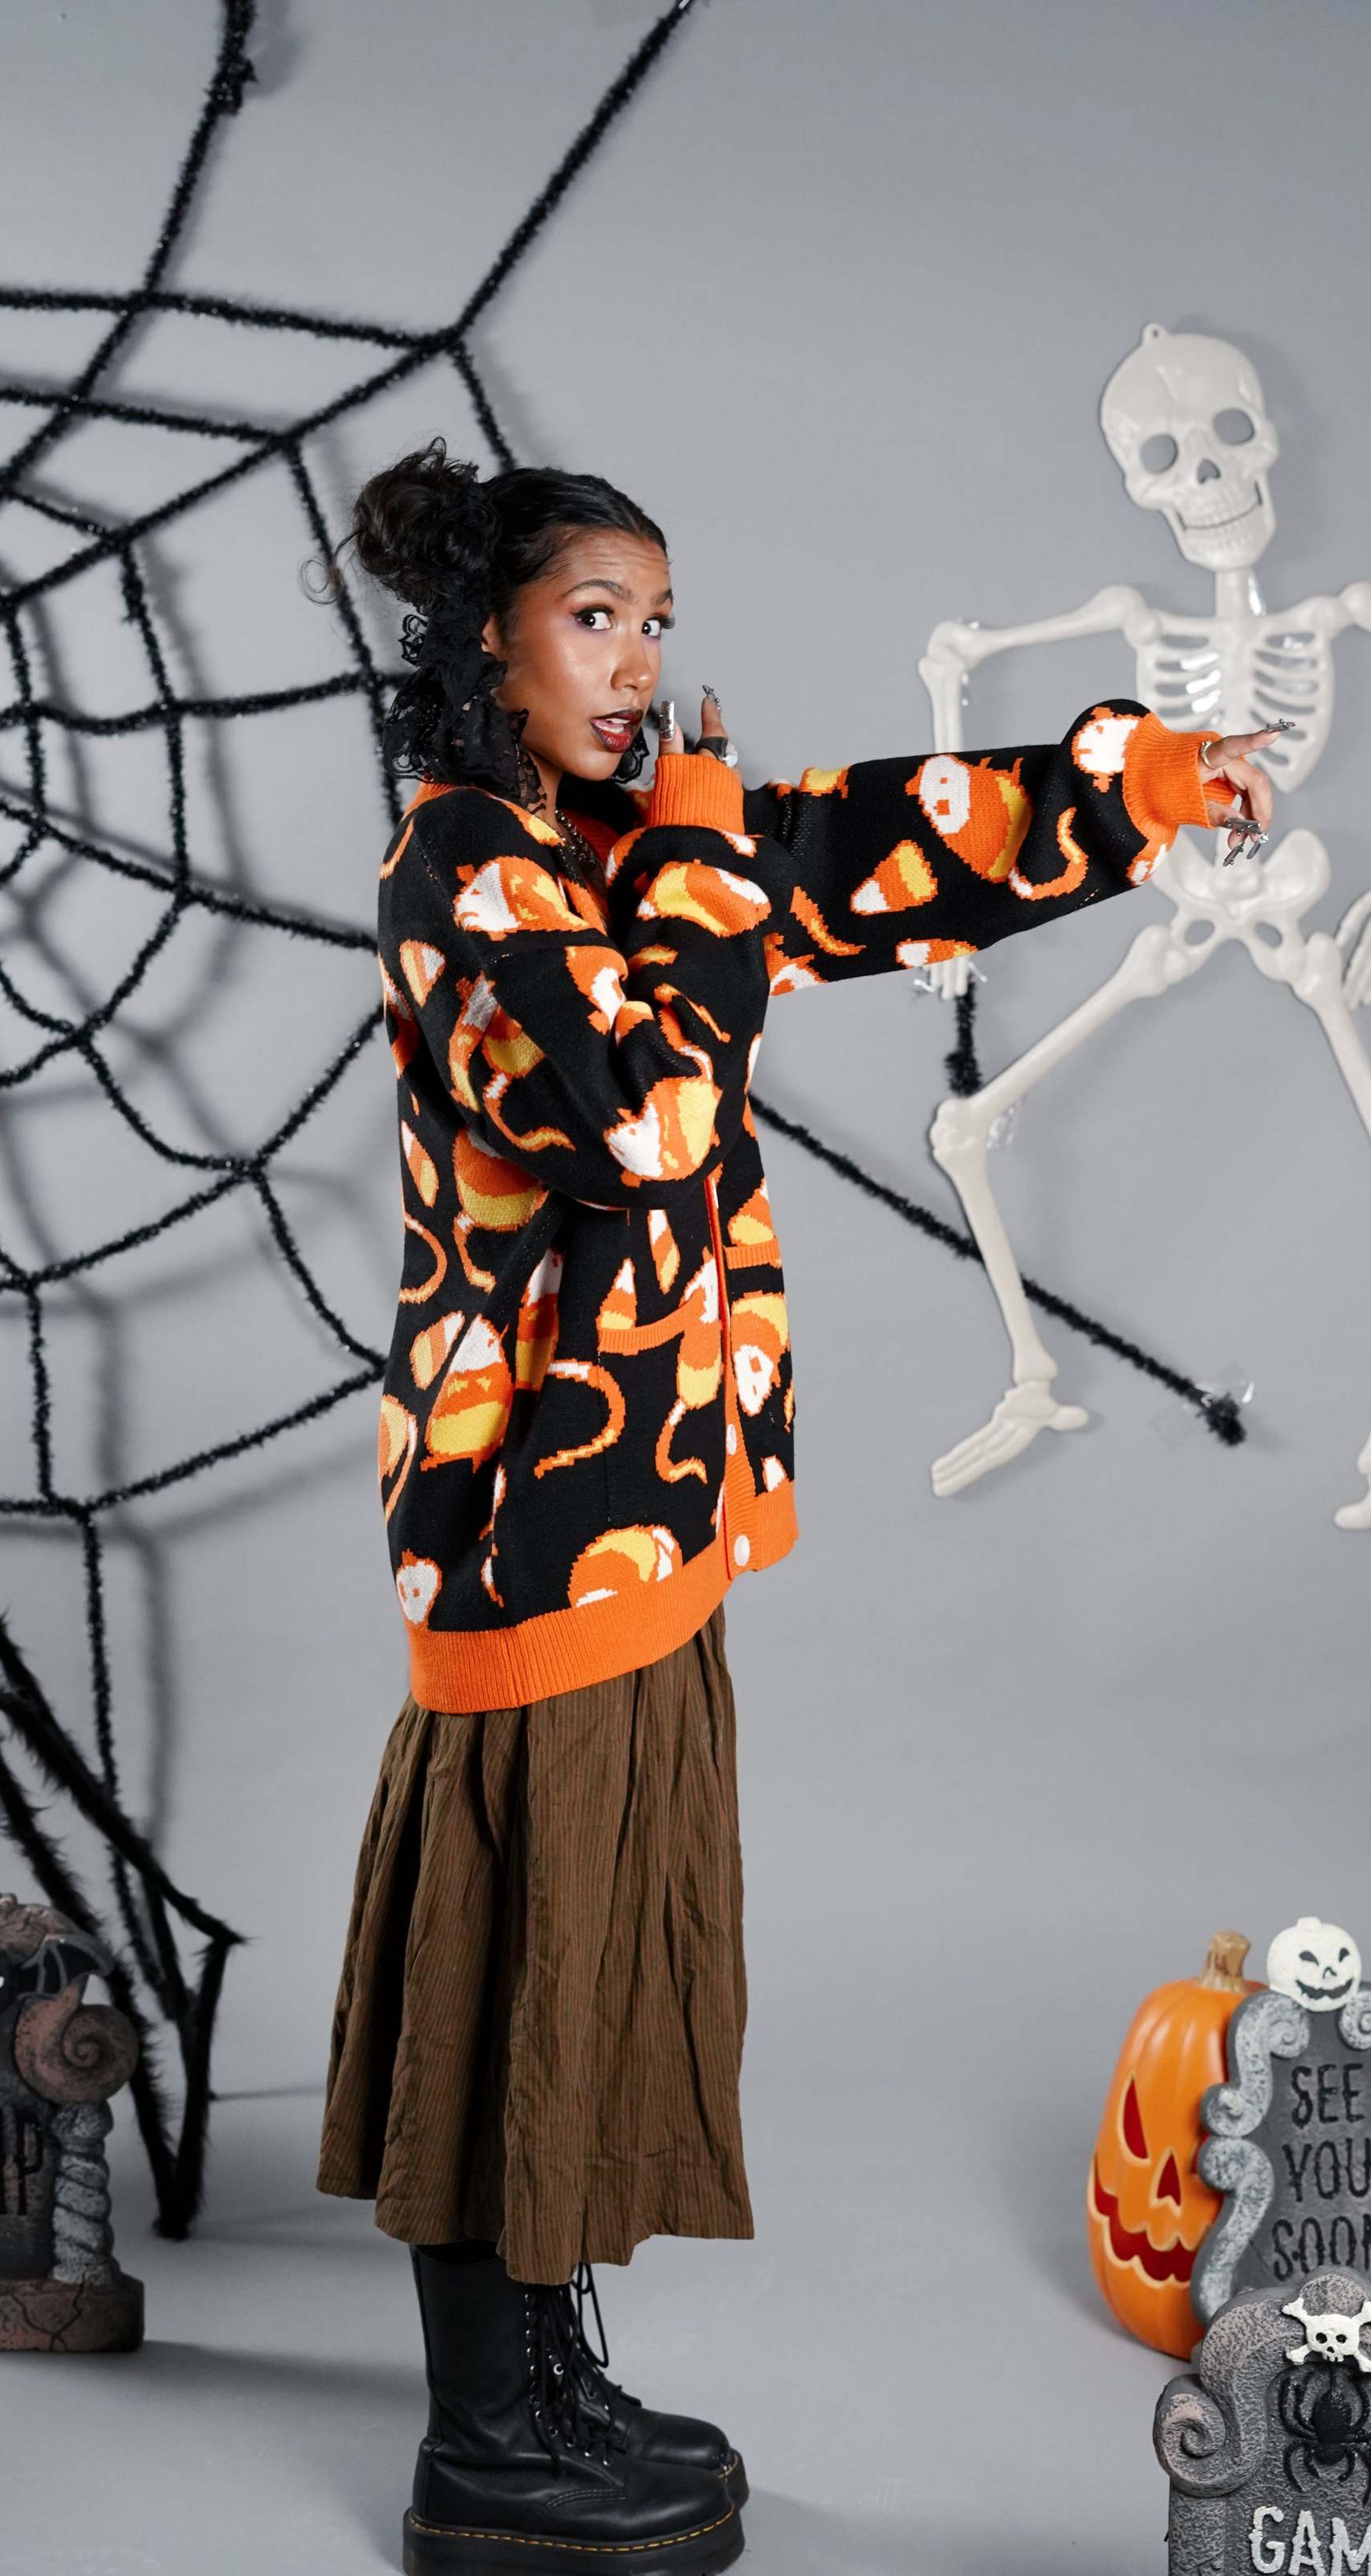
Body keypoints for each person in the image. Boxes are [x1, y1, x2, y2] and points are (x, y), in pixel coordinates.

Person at [314, 435, 1277, 2576]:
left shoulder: (615, 840)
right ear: (484, 644)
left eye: (656, 620)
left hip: (655, 1509)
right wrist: (701, 846)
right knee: (519, 1960)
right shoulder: (468, 869)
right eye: (594, 618)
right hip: (531, 1524)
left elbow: (859, 852)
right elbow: (650, 1117)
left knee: (595, 1958)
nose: (640, 661)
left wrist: (1135, 785)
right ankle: (486, 2444)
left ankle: (552, 2375)